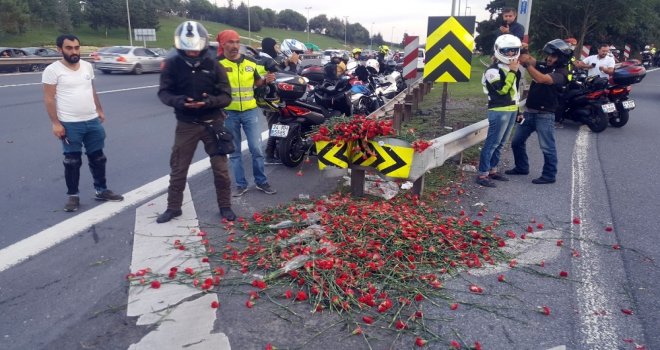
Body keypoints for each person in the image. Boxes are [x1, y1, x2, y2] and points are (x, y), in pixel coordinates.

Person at [156, 21, 236, 223]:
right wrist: (180, 102)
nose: (191, 53)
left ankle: (225, 206)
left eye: (195, 49)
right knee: (178, 169)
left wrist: (209, 102)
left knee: (221, 170)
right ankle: (173, 207)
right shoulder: (172, 65)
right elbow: (164, 92)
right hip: (186, 124)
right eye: (187, 49)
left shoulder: (214, 64)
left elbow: (227, 95)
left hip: (213, 123)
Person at [42, 34, 124, 212]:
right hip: (70, 123)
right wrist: (56, 123)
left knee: (98, 157)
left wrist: (99, 110)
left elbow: (91, 90)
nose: (74, 51)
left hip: (92, 120)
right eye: (69, 48)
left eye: (76, 48)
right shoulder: (52, 70)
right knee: (72, 161)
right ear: (60, 49)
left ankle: (101, 190)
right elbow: (49, 99)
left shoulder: (87, 66)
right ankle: (73, 196)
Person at [217, 30, 277, 197]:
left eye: (237, 42)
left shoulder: (250, 62)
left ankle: (261, 181)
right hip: (229, 114)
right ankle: (240, 184)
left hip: (250, 111)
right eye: (231, 42)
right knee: (234, 152)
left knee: (256, 149)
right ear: (223, 45)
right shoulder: (217, 64)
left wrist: (266, 80)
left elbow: (258, 82)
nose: (235, 46)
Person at [505, 39, 571, 185]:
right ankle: (522, 167)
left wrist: (527, 64)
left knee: (547, 147)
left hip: (545, 115)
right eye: (549, 56)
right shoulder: (545, 65)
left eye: (553, 56)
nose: (549, 59)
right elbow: (530, 60)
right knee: (516, 142)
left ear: (561, 58)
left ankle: (549, 175)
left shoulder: (562, 73)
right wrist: (524, 51)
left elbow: (541, 79)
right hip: (529, 113)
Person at [476, 34, 522, 188]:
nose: (510, 53)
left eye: (513, 50)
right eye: (507, 50)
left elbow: (515, 92)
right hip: (499, 110)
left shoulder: (511, 68)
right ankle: (482, 173)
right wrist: (513, 72)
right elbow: (502, 91)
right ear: (499, 50)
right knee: (492, 143)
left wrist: (518, 110)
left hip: (512, 109)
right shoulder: (492, 71)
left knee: (501, 143)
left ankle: (492, 170)